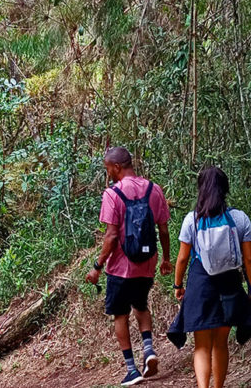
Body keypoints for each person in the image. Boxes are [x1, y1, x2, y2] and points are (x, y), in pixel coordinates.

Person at [86, 146, 173, 386]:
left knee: (120, 314)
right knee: (141, 305)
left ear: (116, 167)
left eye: (108, 169)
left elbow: (112, 236)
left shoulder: (112, 194)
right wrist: (165, 259)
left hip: (121, 267)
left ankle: (132, 369)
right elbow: (163, 229)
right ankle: (149, 349)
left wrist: (97, 265)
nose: (108, 174)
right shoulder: (154, 189)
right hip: (147, 264)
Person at [171, 166, 251, 388]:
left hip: (200, 286)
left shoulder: (192, 220)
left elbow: (182, 259)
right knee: (221, 343)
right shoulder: (239, 219)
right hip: (229, 285)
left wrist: (178, 285)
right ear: (225, 189)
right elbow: (249, 259)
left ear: (201, 188)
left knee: (201, 345)